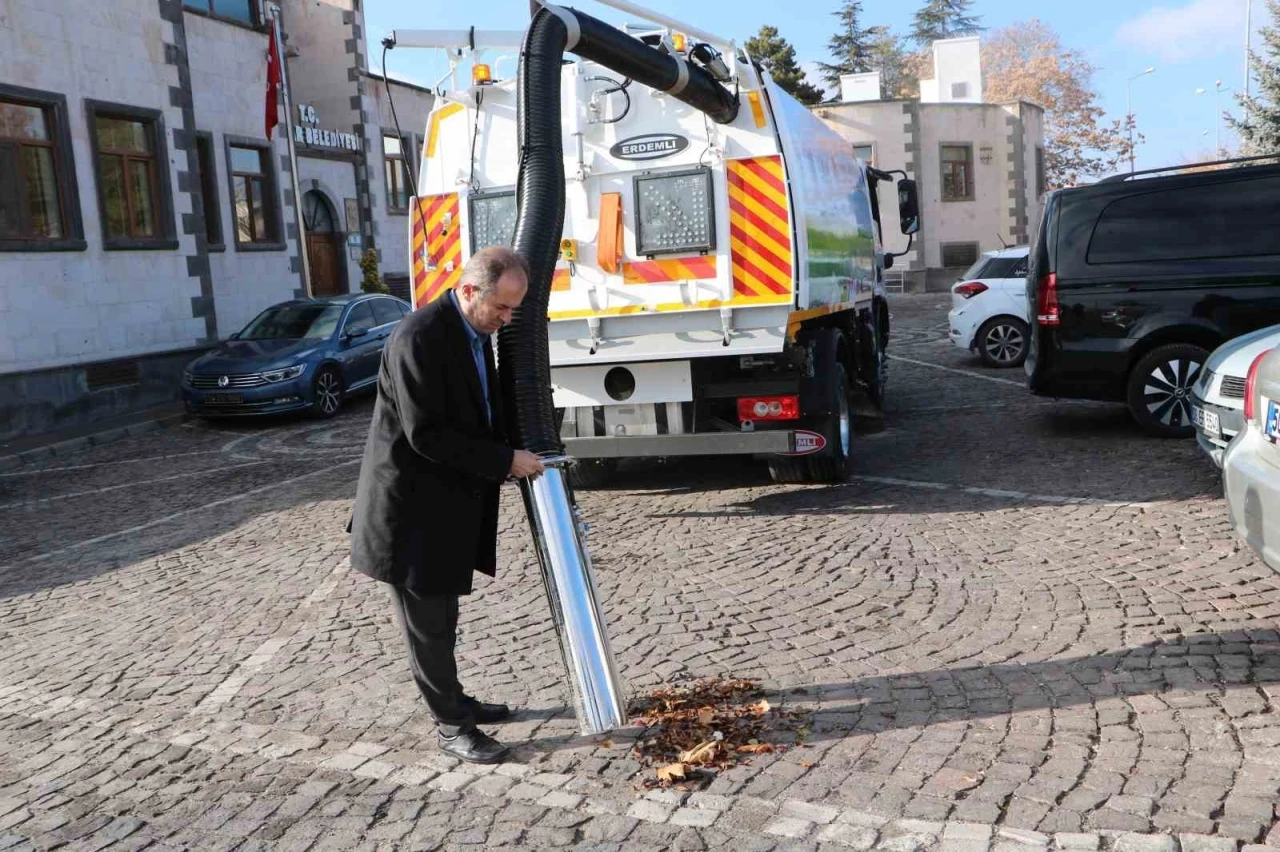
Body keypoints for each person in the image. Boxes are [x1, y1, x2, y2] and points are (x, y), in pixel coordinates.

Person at [349, 246, 546, 765]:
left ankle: (456, 701)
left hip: (444, 509)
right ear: (467, 292)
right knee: (427, 628)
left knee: (444, 619)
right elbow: (427, 435)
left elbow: (482, 406)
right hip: (408, 515)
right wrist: (505, 459)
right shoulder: (418, 337)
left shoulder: (475, 333)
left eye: (513, 310)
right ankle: (451, 727)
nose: (507, 320)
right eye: (501, 308)